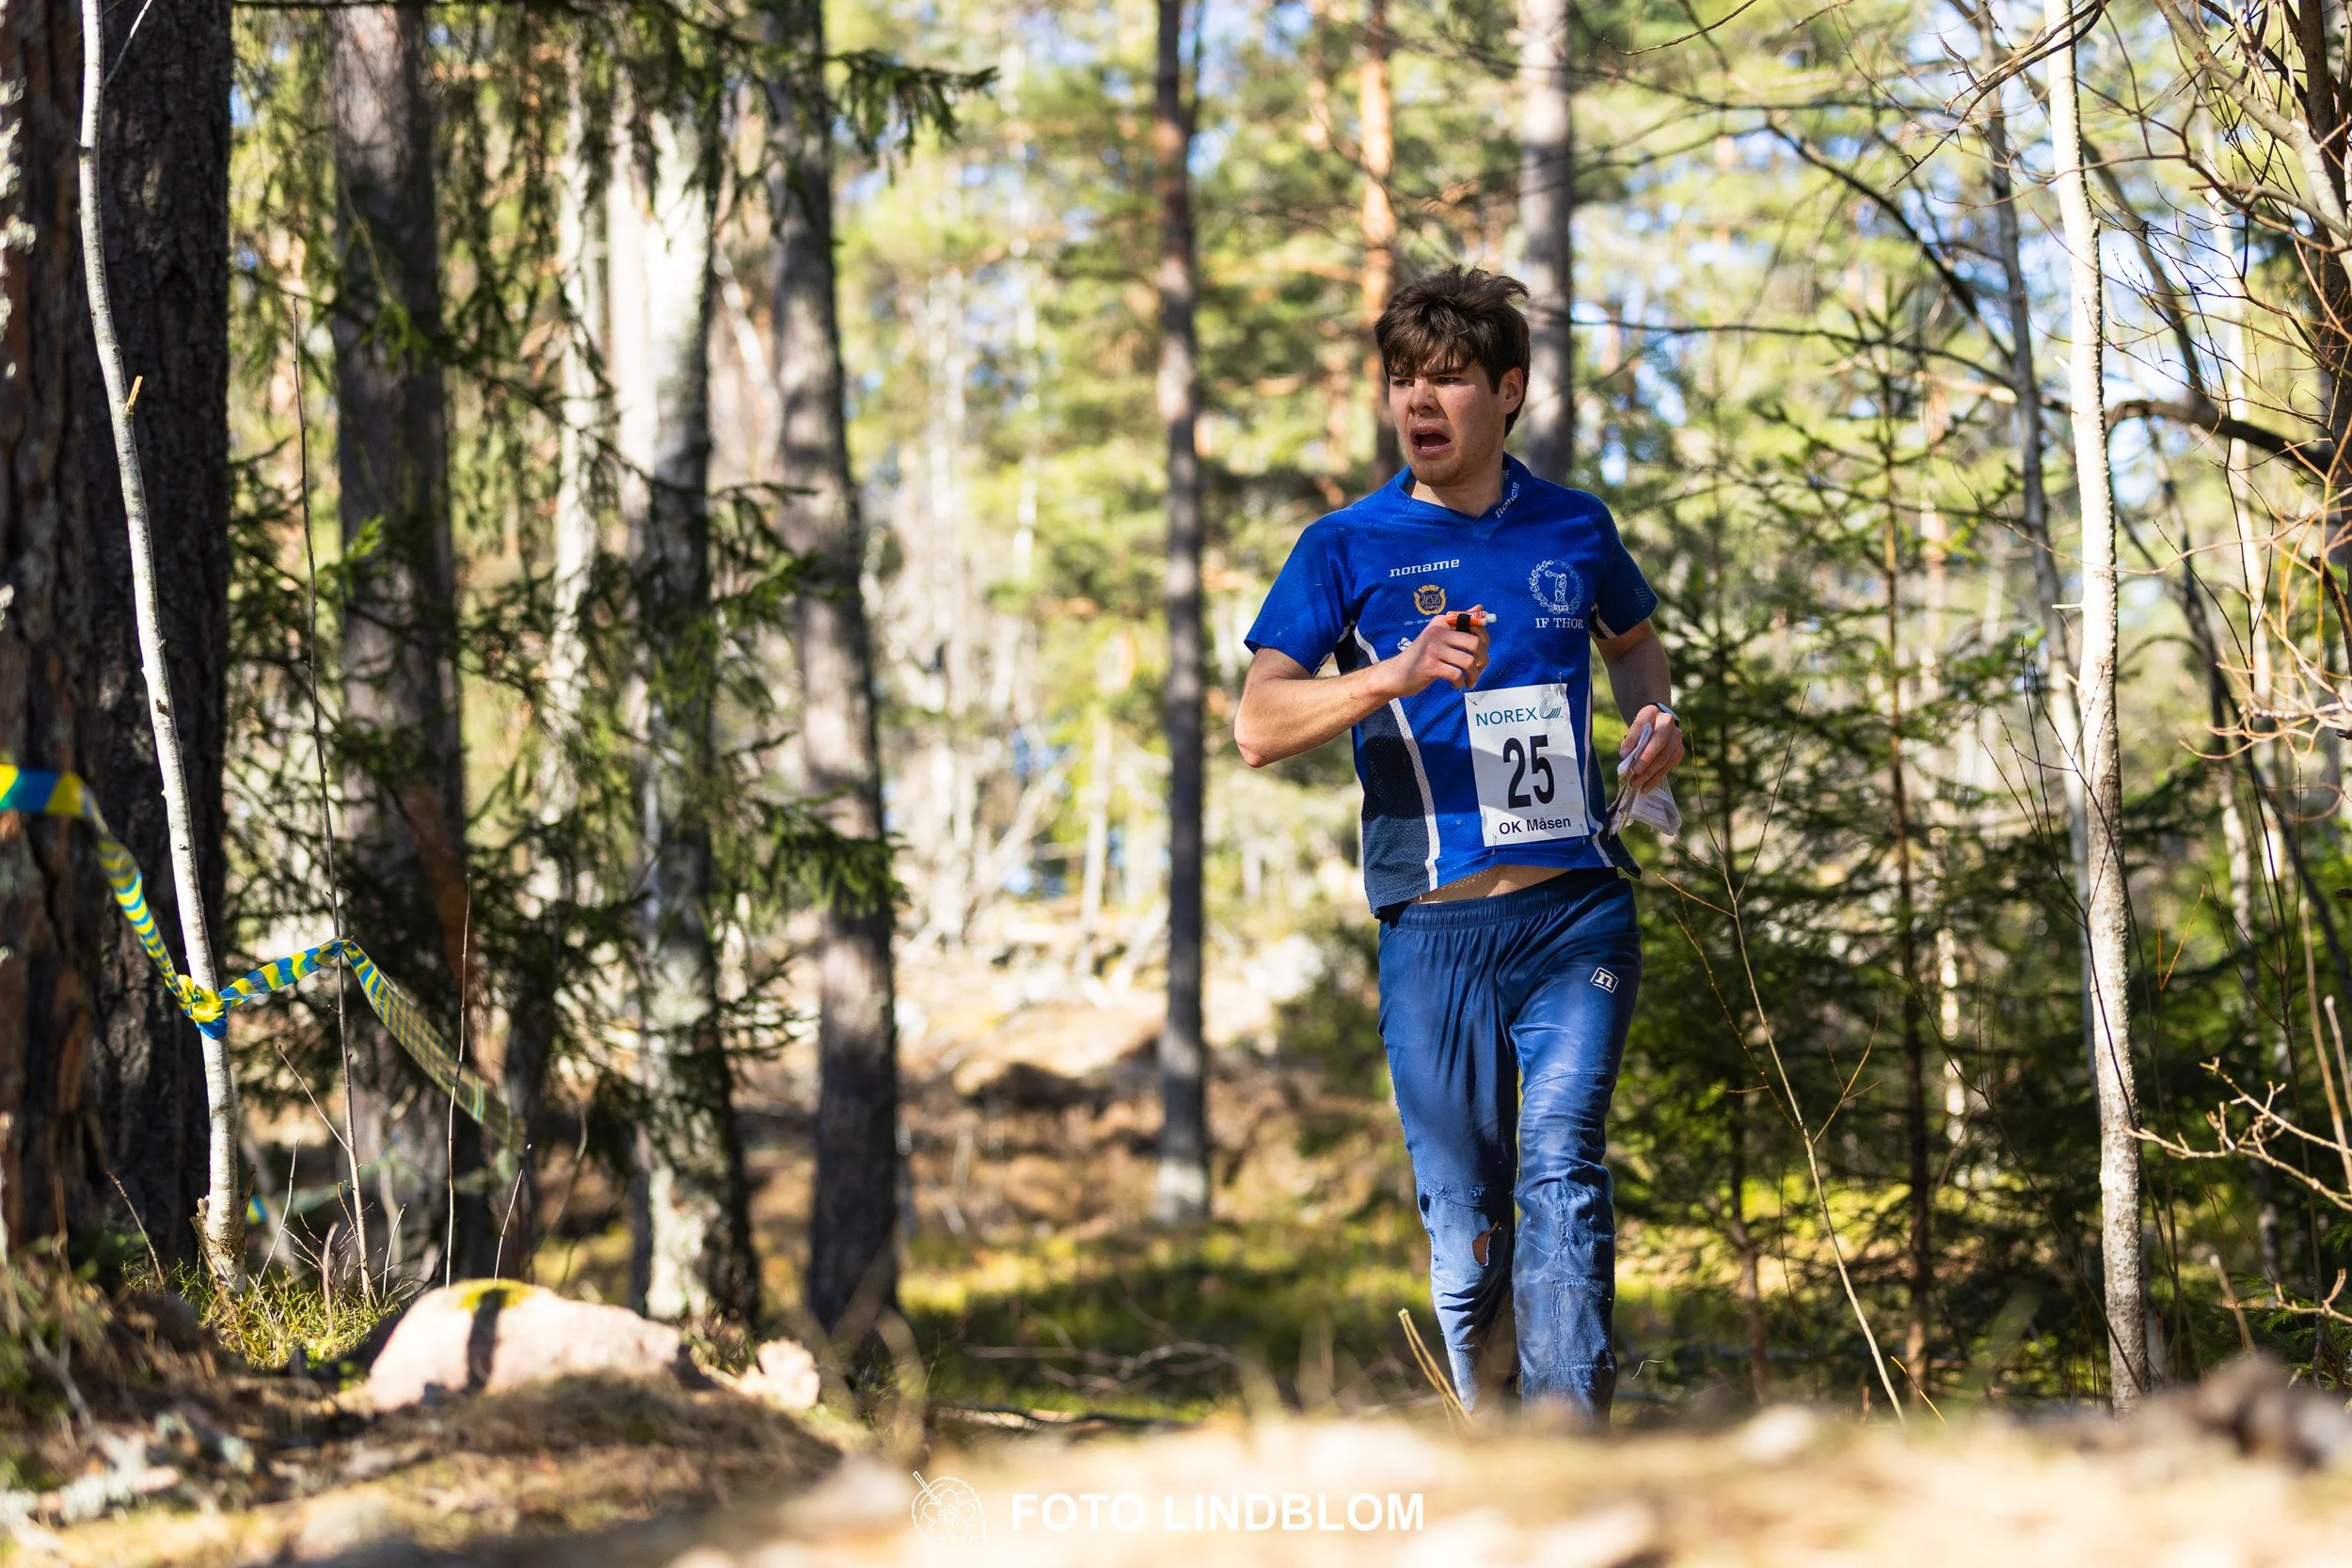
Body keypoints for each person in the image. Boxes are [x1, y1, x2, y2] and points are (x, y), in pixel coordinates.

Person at [1232, 267, 1684, 1421]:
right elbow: (1255, 724)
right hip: (1434, 926)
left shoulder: (1574, 524)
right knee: (1465, 1214)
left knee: (1563, 1172)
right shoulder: (1346, 543)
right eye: (1400, 379)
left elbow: (1634, 643)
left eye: (1446, 378)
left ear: (1509, 389)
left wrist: (1654, 717)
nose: (1418, 401)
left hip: (1576, 904)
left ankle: (1566, 1439)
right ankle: (1496, 1434)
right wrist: (1387, 672)